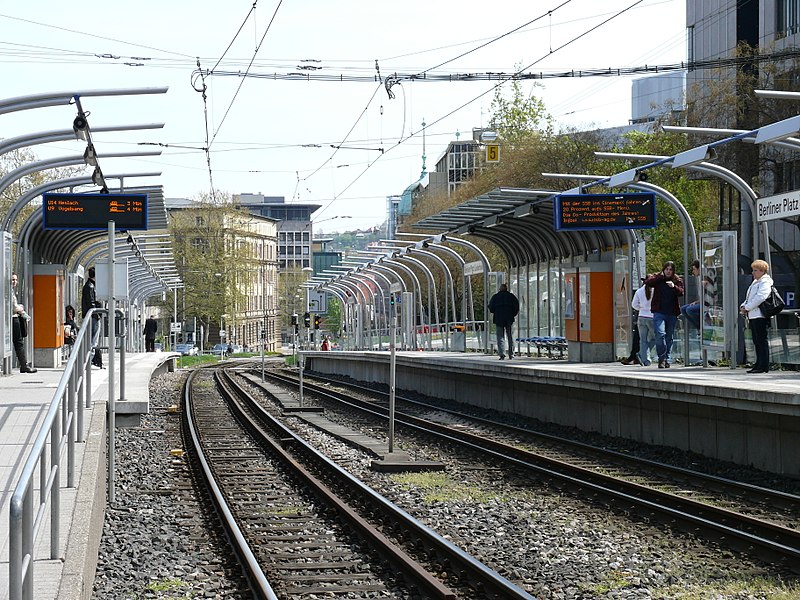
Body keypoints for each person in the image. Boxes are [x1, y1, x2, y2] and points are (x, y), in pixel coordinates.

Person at [645, 261, 684, 369]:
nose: (668, 271)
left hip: (671, 313)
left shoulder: (677, 280)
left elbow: (681, 292)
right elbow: (648, 282)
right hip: (659, 312)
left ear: (673, 271)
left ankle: (667, 358)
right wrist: (660, 278)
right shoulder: (658, 278)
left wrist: (674, 287)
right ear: (664, 269)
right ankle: (661, 358)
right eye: (667, 269)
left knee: (669, 337)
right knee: (660, 333)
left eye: (670, 269)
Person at [739, 259, 773, 374]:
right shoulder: (756, 282)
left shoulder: (765, 282)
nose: (753, 272)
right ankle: (759, 363)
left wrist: (747, 307)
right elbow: (750, 297)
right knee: (756, 340)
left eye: (755, 270)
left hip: (760, 315)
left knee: (761, 340)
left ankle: (763, 365)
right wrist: (744, 306)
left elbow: (761, 297)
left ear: (762, 271)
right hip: (753, 315)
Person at [10, 273, 37, 373]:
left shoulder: (11, 291)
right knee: (18, 342)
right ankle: (24, 365)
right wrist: (20, 308)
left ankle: (24, 364)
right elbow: (13, 306)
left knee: (19, 342)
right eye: (12, 280)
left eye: (15, 280)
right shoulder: (8, 291)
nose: (15, 282)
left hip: (13, 318)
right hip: (12, 318)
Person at [488, 283, 520, 360]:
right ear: (506, 289)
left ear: (500, 289)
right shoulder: (511, 297)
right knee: (510, 336)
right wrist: (512, 315)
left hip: (499, 319)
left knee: (500, 337)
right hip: (509, 319)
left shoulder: (495, 297)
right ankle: (511, 354)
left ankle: (502, 354)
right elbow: (516, 307)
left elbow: (491, 308)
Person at [81, 266, 104, 368]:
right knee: (93, 340)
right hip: (93, 317)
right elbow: (91, 303)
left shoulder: (90, 285)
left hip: (92, 316)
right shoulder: (90, 287)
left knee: (92, 340)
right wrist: (97, 314)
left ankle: (90, 361)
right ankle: (88, 361)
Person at [631, 281, 656, 366]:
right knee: (655, 338)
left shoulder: (639, 291)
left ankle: (645, 359)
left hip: (641, 316)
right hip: (652, 316)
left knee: (643, 340)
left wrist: (641, 308)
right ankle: (642, 354)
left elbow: (634, 305)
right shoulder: (655, 290)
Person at [680, 260, 702, 330]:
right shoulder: (700, 279)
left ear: (699, 269)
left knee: (690, 310)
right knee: (683, 309)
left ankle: (700, 327)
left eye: (694, 269)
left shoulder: (705, 280)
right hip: (701, 302)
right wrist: (696, 302)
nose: (693, 272)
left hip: (706, 304)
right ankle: (698, 327)